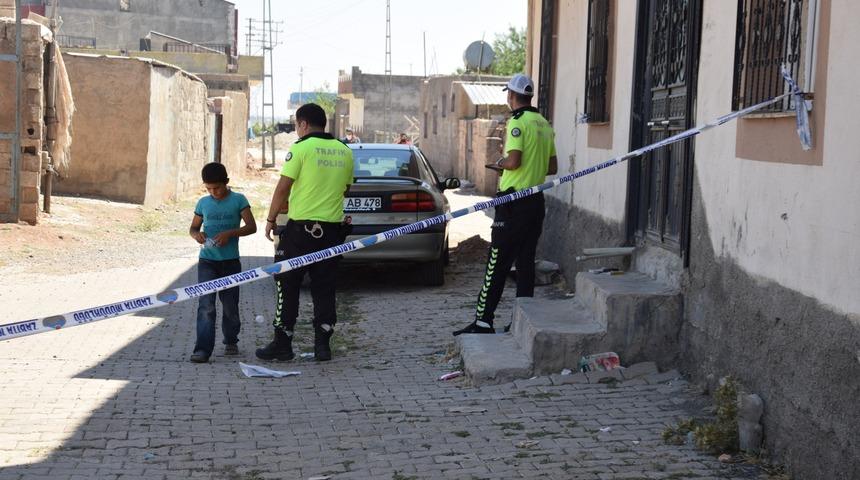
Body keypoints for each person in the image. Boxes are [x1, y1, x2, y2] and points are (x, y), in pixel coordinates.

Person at [453, 73, 558, 336]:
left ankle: (483, 321)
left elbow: (513, 161)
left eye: (507, 96)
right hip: (535, 202)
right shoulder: (544, 123)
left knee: (497, 262)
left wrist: (500, 163)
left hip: (512, 203)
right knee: (525, 264)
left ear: (511, 96)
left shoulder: (517, 123)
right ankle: (521, 323)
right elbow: (553, 166)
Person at [257, 103, 355, 362]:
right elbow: (346, 190)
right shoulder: (345, 151)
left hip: (300, 233)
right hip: (332, 233)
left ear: (302, 124)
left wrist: (270, 219)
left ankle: (283, 344)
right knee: (325, 289)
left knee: (286, 286)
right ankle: (323, 346)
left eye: (296, 126)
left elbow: (282, 188)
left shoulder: (300, 149)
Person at [188, 163, 257, 362]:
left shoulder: (239, 200)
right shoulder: (203, 203)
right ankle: (202, 349)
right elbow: (193, 228)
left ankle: (231, 339)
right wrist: (197, 235)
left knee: (230, 306)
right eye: (208, 188)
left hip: (231, 263)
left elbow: (251, 226)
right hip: (207, 262)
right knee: (206, 305)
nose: (213, 192)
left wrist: (231, 233)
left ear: (226, 182)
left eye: (217, 188)